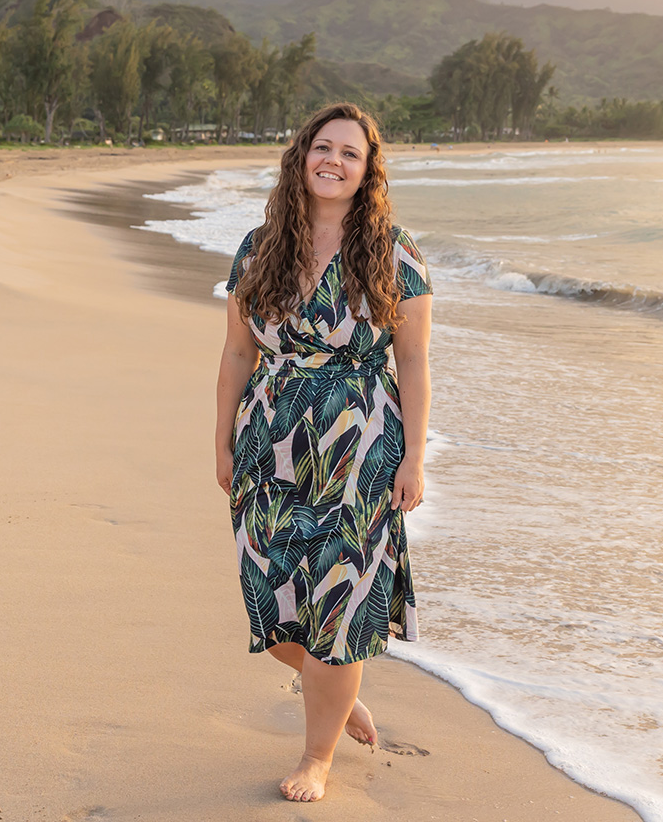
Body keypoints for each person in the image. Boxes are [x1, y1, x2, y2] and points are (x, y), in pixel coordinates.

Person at [215, 102, 432, 802]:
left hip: (361, 448)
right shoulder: (258, 248)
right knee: (271, 603)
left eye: (350, 153)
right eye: (323, 147)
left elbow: (416, 365)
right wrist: (220, 440)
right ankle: (336, 697)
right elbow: (237, 352)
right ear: (301, 155)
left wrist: (414, 460)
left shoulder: (396, 254)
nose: (333, 161)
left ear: (368, 172)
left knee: (339, 603)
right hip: (268, 443)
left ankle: (317, 754)